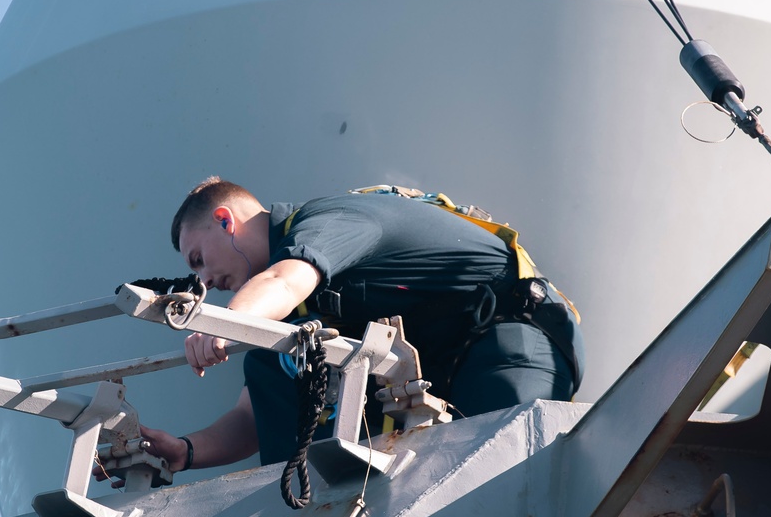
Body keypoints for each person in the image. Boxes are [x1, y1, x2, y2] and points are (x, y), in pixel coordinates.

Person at [141, 177, 583, 472]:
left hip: (508, 340)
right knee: (270, 367)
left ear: (225, 220)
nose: (204, 282)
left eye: (199, 260)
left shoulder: (329, 222)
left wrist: (222, 325)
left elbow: (283, 278)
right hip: (439, 372)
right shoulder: (290, 315)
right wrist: (186, 451)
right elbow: (253, 415)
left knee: (499, 477)